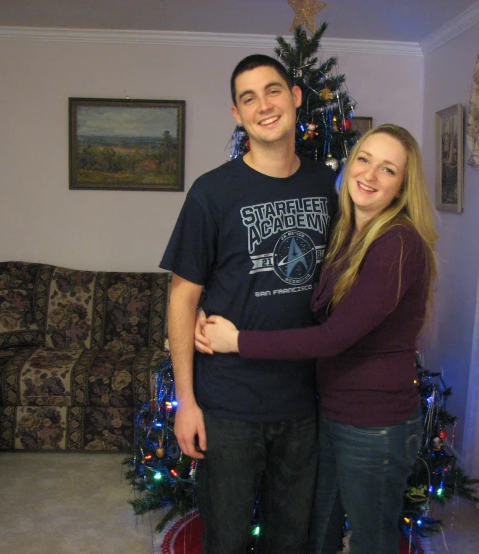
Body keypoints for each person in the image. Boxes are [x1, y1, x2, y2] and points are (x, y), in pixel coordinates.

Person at [199, 124, 438, 554]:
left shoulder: (397, 244)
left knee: (371, 541)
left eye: (388, 169)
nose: (369, 175)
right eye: (364, 160)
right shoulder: (347, 233)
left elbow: (333, 338)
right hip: (334, 413)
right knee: (320, 532)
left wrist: (237, 340)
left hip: (375, 424)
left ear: (402, 187)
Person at [159, 54, 337, 554]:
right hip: (228, 405)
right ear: (237, 115)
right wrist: (186, 402)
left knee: (292, 541)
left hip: (303, 404)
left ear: (296, 97)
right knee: (227, 540)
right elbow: (182, 297)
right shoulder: (212, 193)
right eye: (248, 98)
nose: (264, 105)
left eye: (273, 90)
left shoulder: (328, 186)